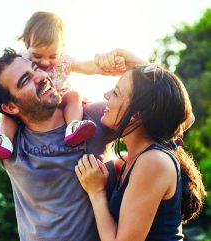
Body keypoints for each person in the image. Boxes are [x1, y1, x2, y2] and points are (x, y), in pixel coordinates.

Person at [0, 39, 126, 241]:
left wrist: (124, 58)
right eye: (25, 80)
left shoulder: (93, 118)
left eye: (36, 68)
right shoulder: (5, 140)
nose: (41, 76)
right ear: (10, 108)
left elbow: (154, 103)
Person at [75, 50, 206, 240]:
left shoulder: (153, 162)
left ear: (137, 114)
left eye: (116, 93)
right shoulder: (136, 158)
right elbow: (182, 113)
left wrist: (96, 192)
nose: (106, 95)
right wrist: (141, 68)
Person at [0, 11, 125, 159]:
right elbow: (0, 67)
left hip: (61, 99)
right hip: (35, 105)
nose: (45, 62)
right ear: (27, 45)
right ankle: (5, 140)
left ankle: (73, 126)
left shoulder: (63, 61)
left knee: (74, 95)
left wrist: (103, 66)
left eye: (53, 55)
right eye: (37, 56)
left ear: (62, 49)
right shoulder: (22, 60)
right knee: (9, 112)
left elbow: (85, 66)